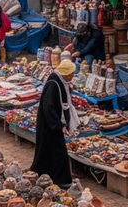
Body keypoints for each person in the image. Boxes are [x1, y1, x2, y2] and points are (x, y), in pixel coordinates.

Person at [31, 60, 78, 188]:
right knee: (58, 151)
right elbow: (48, 107)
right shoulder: (54, 84)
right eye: (72, 73)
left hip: (51, 124)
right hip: (49, 125)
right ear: (66, 73)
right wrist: (59, 125)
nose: (73, 76)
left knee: (48, 151)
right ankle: (61, 180)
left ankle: (45, 175)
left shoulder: (59, 81)